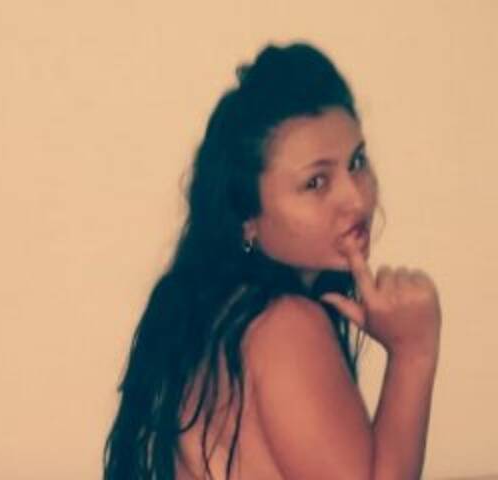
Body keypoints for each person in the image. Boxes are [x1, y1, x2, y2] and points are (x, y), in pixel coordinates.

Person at [103, 42, 441, 480]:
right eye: (316, 182)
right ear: (248, 218)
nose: (356, 198)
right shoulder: (284, 323)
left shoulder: (224, 315)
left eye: (357, 162)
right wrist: (413, 353)